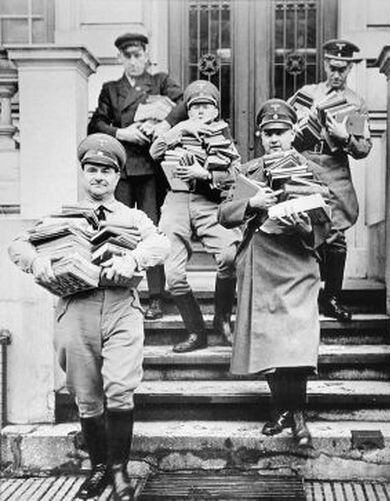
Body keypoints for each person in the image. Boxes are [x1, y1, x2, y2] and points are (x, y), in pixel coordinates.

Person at [9, 133, 171, 500]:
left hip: (119, 308)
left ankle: (119, 473)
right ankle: (99, 467)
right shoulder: (61, 217)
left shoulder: (133, 217)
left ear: (118, 177)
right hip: (75, 308)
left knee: (120, 387)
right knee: (86, 395)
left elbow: (161, 243)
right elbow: (18, 244)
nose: (98, 177)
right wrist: (39, 262)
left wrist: (131, 259)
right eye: (92, 169)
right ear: (83, 173)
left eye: (107, 171)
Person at [218, 99, 330, 447]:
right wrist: (253, 204)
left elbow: (332, 220)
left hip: (297, 261)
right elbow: (225, 213)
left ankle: (297, 416)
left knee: (297, 334)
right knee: (269, 338)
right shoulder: (249, 171)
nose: (275, 139)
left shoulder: (312, 169)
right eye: (268, 133)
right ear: (259, 135)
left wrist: (305, 227)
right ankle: (282, 410)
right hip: (262, 258)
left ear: (294, 132)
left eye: (281, 132)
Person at [88, 30, 185, 321]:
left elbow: (184, 104)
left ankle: (156, 297)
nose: (133, 61)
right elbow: (96, 124)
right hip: (123, 171)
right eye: (127, 56)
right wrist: (122, 132)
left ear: (146, 55)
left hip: (151, 170)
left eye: (138, 55)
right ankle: (119, 293)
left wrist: (165, 125)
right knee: (118, 230)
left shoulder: (160, 81)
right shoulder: (111, 88)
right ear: (120, 58)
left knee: (151, 230)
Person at [150, 80, 241, 353]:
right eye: (195, 107)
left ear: (215, 111)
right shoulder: (179, 130)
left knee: (228, 255)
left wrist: (206, 174)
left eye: (206, 106)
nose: (200, 112)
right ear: (188, 111)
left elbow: (234, 175)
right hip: (177, 198)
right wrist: (178, 128)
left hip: (208, 201)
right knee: (173, 271)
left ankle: (222, 320)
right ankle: (195, 332)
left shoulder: (222, 136)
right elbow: (154, 153)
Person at [289, 39, 372, 321]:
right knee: (302, 229)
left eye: (343, 69)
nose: (336, 74)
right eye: (332, 67)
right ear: (324, 64)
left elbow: (362, 149)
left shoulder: (355, 102)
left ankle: (332, 297)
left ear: (350, 67)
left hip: (335, 167)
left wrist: (344, 136)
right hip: (306, 163)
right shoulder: (306, 93)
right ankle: (303, 296)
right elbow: (283, 128)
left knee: (336, 234)